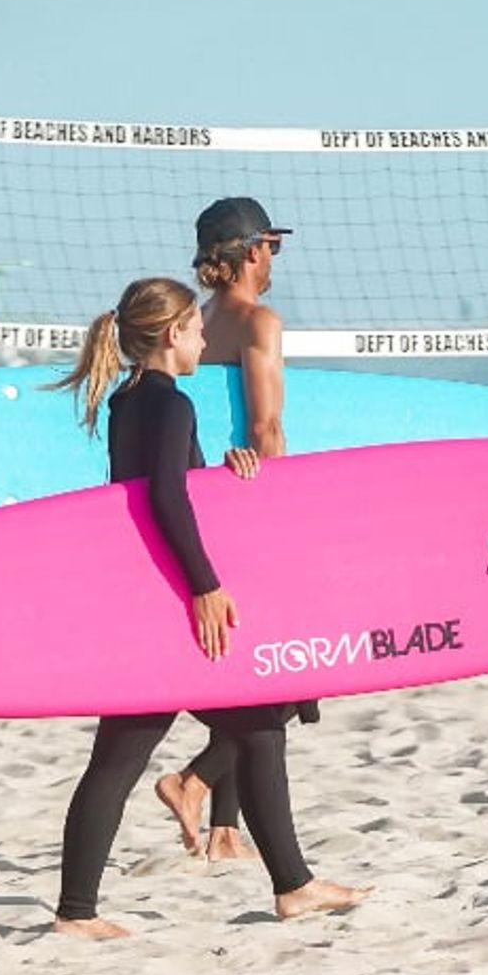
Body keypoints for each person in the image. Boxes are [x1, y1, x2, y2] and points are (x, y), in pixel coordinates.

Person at [50, 276, 368, 939]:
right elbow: (165, 501)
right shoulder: (171, 406)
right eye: (196, 330)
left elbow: (155, 491)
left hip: (143, 594)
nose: (203, 339)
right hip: (174, 603)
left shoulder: (129, 401)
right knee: (251, 729)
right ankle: (292, 887)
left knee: (145, 751)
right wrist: (205, 587)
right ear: (172, 336)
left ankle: (79, 911)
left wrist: (227, 475)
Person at [153, 198, 315, 861]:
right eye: (272, 246)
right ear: (252, 250)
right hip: (251, 495)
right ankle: (192, 781)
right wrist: (283, 510)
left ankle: (224, 828)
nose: (275, 258)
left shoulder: (201, 321)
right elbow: (265, 426)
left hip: (206, 496)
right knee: (291, 674)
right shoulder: (258, 319)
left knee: (243, 663)